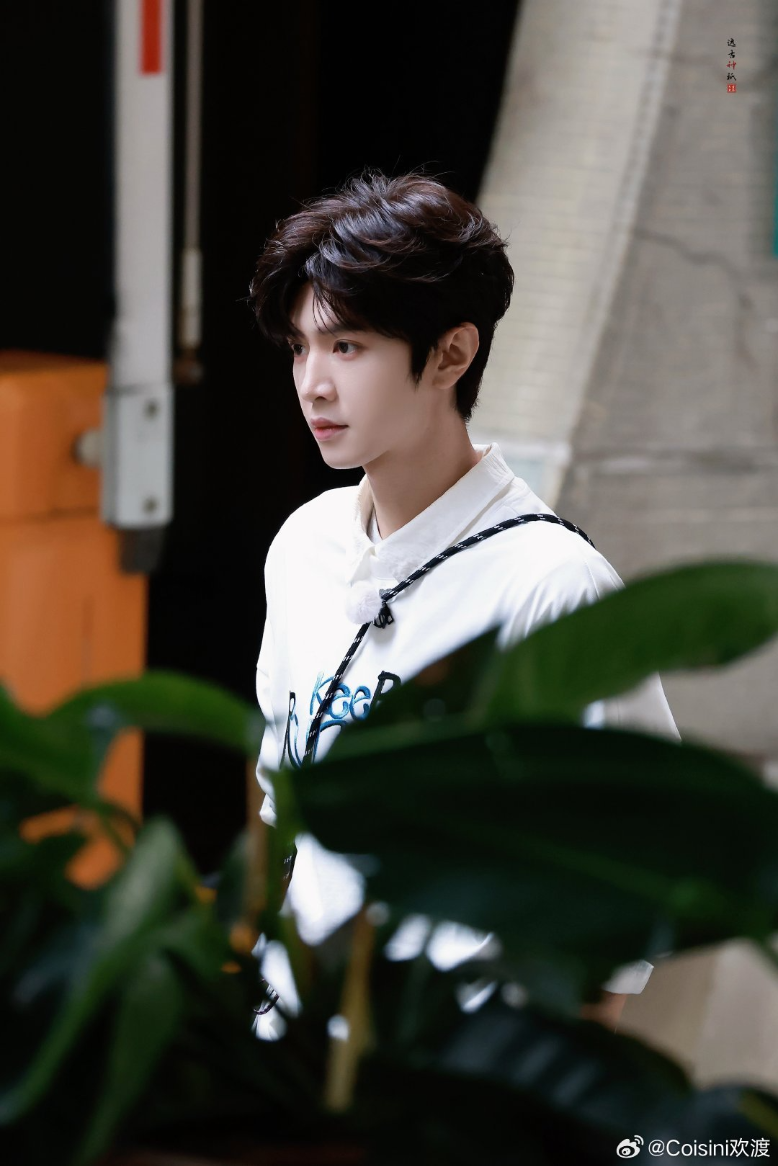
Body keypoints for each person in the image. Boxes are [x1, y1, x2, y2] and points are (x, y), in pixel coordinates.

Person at [246, 167, 681, 1041]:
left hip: (443, 1079)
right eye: (299, 347)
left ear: (451, 354)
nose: (313, 383)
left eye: (347, 346)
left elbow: (629, 890)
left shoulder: (552, 586)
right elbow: (277, 807)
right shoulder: (304, 546)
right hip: (286, 1060)